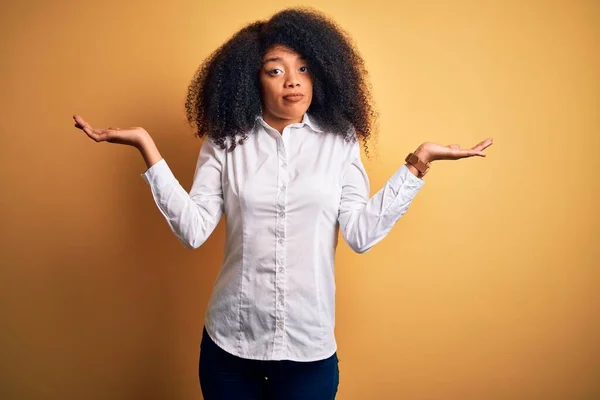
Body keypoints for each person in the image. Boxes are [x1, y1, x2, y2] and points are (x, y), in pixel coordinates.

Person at [73, 7, 493, 400]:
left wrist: (419, 162)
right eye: (275, 70)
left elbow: (361, 234)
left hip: (307, 352)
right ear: (252, 81)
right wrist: (147, 146)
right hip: (230, 348)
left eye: (303, 68)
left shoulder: (339, 142)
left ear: (321, 75)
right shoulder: (225, 142)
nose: (292, 80)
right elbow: (193, 230)